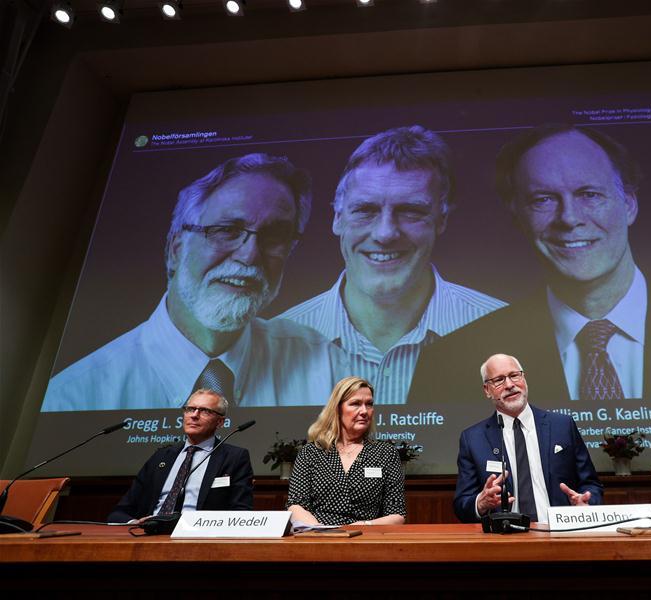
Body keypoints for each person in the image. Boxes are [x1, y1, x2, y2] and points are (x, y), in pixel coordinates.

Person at [42, 153, 335, 411]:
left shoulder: (324, 366)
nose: (250, 256)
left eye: (275, 236)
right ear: (175, 249)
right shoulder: (74, 395)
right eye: (227, 230)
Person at [409, 125, 645, 407]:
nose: (569, 218)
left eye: (590, 194)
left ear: (629, 205)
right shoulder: (454, 361)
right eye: (543, 199)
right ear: (517, 217)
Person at [279, 126, 506, 405]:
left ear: (442, 219)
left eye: (411, 211)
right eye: (365, 210)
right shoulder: (273, 343)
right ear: (337, 218)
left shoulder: (505, 331)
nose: (385, 234)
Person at [454, 354, 602, 524]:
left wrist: (587, 503)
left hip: (560, 532)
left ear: (524, 378)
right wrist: (480, 504)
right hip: (504, 539)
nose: (510, 385)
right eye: (499, 380)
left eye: (514, 375)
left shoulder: (562, 426)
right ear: (487, 390)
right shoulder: (473, 439)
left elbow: (591, 484)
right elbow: (462, 504)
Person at [108, 389, 253, 523]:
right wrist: (135, 523)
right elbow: (121, 511)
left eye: (205, 411)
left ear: (220, 422)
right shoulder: (162, 457)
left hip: (198, 537)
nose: (194, 415)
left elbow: (241, 513)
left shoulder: (234, 458)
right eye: (190, 409)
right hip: (150, 533)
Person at [287, 376, 406, 526]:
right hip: (318, 538)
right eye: (355, 404)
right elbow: (296, 504)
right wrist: (322, 532)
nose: (364, 411)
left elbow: (397, 514)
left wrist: (364, 526)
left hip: (366, 539)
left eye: (369, 404)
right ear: (337, 409)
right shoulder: (311, 452)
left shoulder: (385, 453)